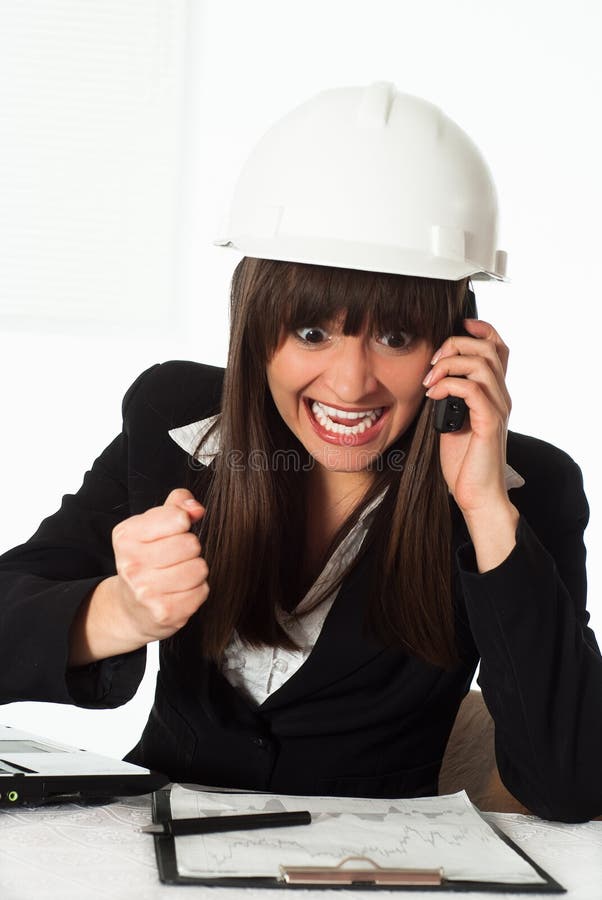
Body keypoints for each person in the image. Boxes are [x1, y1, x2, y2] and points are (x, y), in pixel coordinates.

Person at [0, 83, 601, 823]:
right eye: (312, 333)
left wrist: (483, 507)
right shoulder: (174, 421)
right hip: (151, 849)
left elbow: (571, 783)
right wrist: (117, 612)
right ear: (256, 328)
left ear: (456, 345)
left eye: (396, 336)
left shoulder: (525, 487)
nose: (351, 384)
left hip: (375, 862)